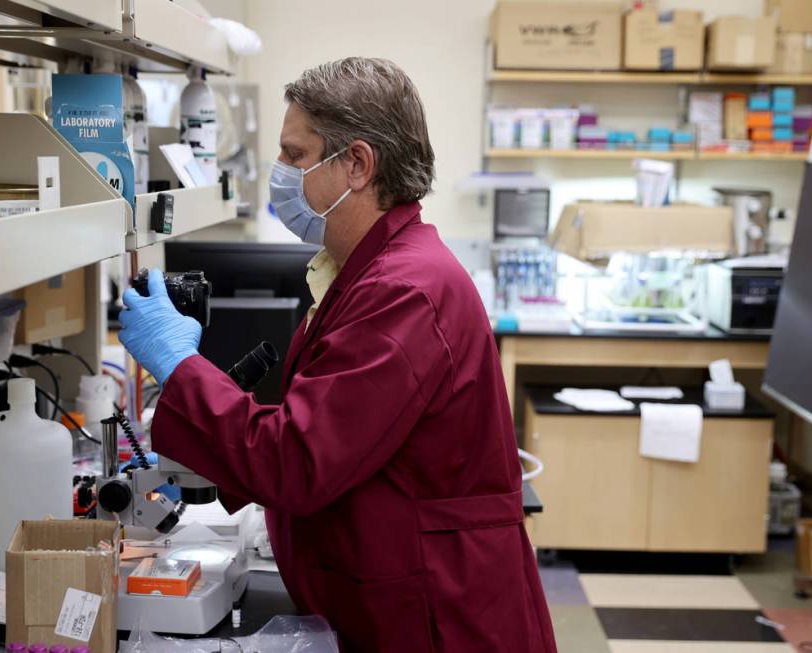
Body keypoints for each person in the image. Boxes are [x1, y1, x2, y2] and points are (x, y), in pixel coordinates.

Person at [119, 57, 556, 653]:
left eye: (296, 156)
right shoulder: (369, 271)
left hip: (438, 614)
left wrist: (179, 366)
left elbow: (299, 459)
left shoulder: (403, 292)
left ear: (356, 164)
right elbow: (330, 431)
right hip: (400, 589)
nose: (282, 173)